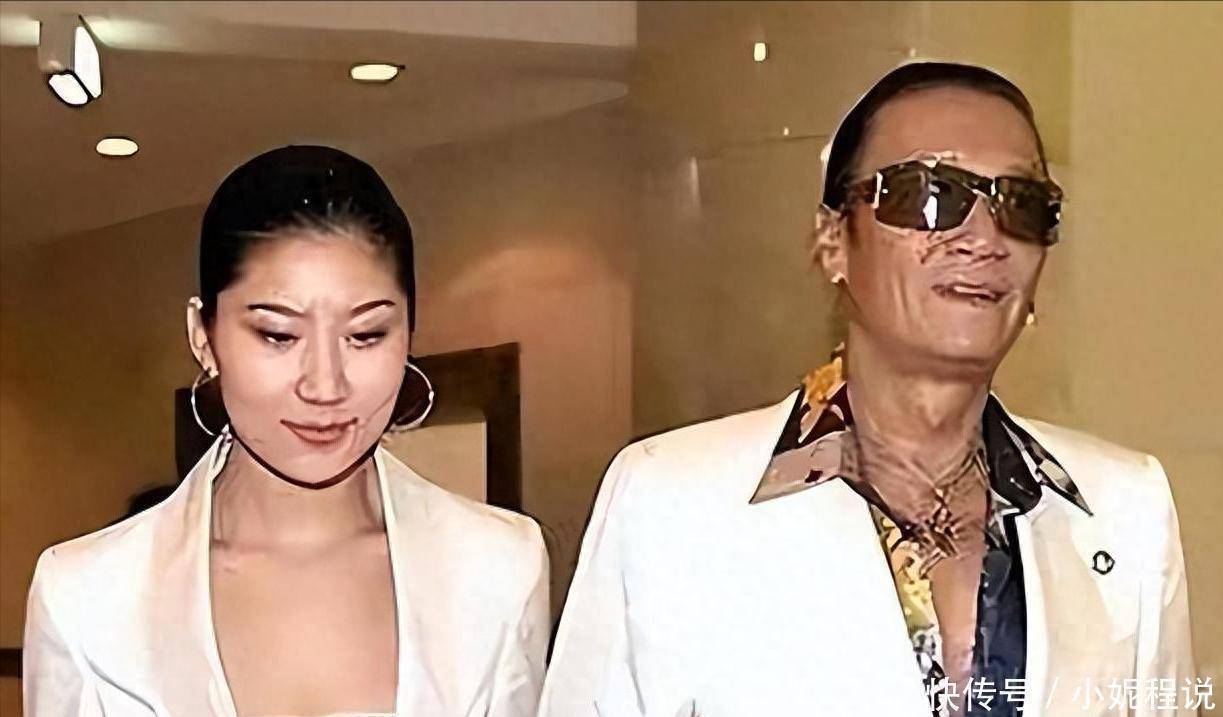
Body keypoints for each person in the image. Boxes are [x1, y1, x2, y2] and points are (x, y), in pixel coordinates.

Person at [540, 63, 1196, 716]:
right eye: (928, 194)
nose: (983, 238)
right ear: (833, 240)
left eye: (1021, 205)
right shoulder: (670, 501)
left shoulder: (1125, 506)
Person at [23, 146, 549, 716]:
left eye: (366, 334)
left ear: (409, 332)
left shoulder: (500, 569)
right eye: (278, 335)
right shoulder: (86, 598)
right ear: (203, 336)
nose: (325, 385)